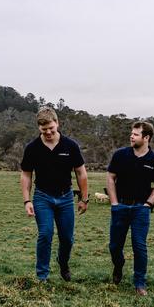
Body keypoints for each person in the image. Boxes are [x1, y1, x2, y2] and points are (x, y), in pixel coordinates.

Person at [20, 107, 88, 282]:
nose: (48, 132)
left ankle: (63, 263)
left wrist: (84, 198)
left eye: (51, 128)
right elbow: (26, 174)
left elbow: (81, 173)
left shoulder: (70, 146)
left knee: (67, 238)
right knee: (45, 234)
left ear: (57, 123)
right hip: (42, 197)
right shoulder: (32, 148)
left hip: (65, 198)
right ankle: (42, 275)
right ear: (39, 128)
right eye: (44, 130)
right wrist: (27, 200)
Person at [107, 121, 154, 296]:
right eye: (131, 133)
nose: (131, 136)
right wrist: (114, 203)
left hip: (141, 209)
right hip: (121, 206)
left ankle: (140, 282)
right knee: (114, 246)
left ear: (146, 138)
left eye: (136, 134)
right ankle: (119, 265)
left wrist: (148, 204)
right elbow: (110, 178)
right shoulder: (120, 155)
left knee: (139, 246)